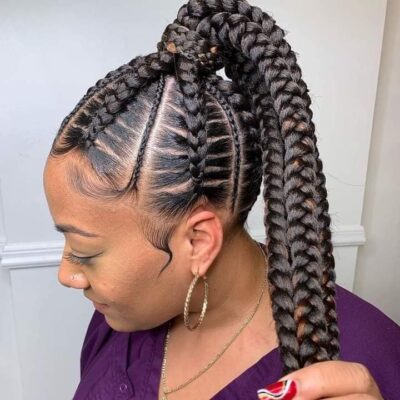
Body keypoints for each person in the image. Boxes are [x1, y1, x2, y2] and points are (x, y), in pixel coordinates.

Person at [43, 0, 400, 399]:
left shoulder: (371, 360)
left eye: (85, 251)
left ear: (198, 241)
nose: (67, 274)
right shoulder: (119, 317)